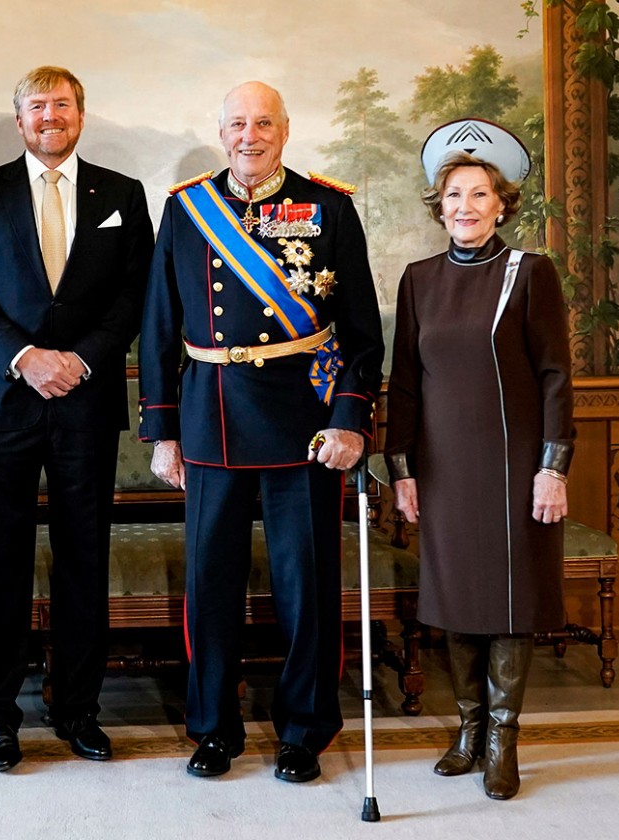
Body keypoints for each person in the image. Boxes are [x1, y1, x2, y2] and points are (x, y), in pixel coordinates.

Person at [138, 81, 384, 782]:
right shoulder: (187, 209)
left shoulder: (330, 206)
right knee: (210, 587)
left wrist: (349, 419)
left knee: (305, 585)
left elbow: (362, 332)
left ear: (285, 130)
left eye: (264, 123)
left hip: (303, 419)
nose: (250, 136)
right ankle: (214, 728)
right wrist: (163, 431)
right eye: (238, 124)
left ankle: (304, 729)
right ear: (221, 133)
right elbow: (159, 323)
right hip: (210, 416)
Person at [0, 66, 154, 772]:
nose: (50, 116)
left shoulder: (123, 196)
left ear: (81, 115)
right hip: (6, 402)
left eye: (62, 104)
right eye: (38, 106)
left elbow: (135, 297)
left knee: (83, 559)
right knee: (1, 563)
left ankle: (78, 709)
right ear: (19, 119)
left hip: (86, 402)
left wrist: (82, 359)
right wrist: (27, 357)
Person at [385, 118, 575, 800]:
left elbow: (556, 375)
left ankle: (502, 741)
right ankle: (467, 730)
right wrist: (401, 473)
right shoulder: (418, 280)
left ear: (502, 204)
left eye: (478, 195)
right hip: (442, 469)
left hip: (515, 467)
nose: (463, 207)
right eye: (453, 195)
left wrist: (553, 467)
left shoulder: (530, 273)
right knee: (455, 598)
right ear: (439, 206)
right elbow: (403, 383)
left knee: (511, 600)